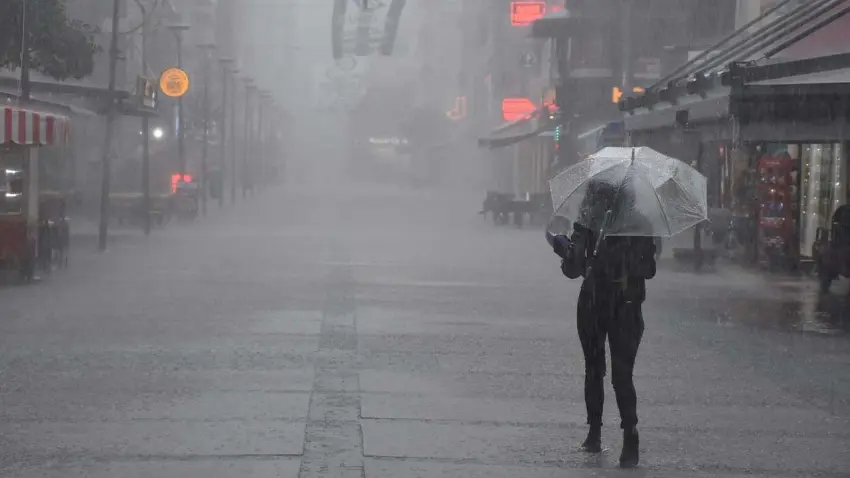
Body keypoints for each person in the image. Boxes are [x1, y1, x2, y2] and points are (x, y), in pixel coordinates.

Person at [554, 179, 657, 468]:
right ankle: (630, 434)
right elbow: (649, 270)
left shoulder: (589, 222)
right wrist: (628, 264)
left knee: (594, 368)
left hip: (594, 302)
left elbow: (573, 268)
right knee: (623, 375)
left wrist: (563, 248)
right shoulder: (642, 224)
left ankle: (594, 433)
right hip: (628, 306)